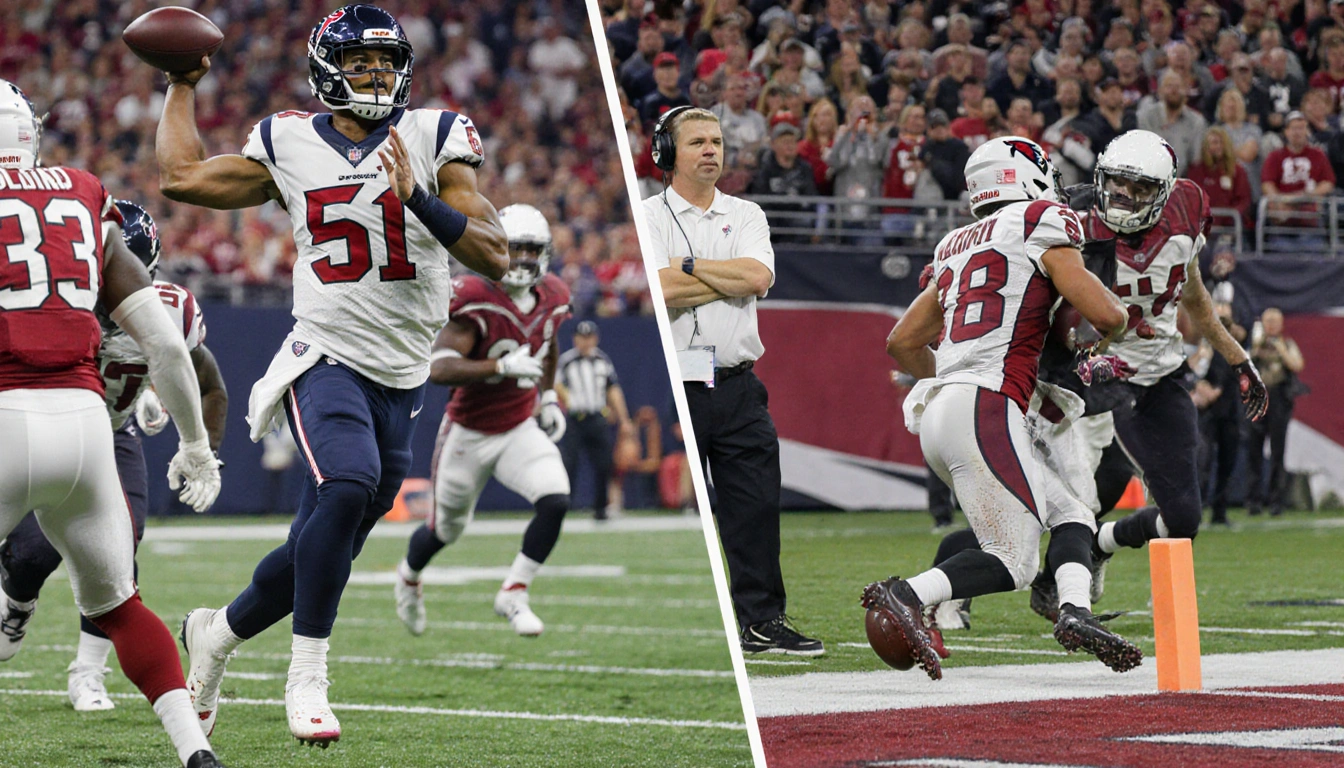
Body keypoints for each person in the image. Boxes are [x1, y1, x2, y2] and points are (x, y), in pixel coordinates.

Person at [154, 5, 510, 746]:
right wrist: (182, 84)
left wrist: (418, 197)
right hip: (325, 355)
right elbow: (182, 177)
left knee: (322, 546)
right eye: (359, 63)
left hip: (403, 373)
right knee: (346, 486)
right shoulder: (288, 140)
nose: (376, 75)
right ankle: (307, 678)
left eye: (386, 62)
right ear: (327, 71)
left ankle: (215, 634)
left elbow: (494, 255)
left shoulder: (434, 136)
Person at [0, 80, 225, 768]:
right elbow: (165, 345)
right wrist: (195, 445)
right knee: (120, 604)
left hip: (5, 417)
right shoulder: (81, 191)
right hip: (86, 425)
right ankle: (195, 751)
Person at [872, 136, 1141, 680]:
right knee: (1013, 560)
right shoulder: (1039, 219)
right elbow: (1107, 314)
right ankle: (907, 593)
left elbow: (901, 342)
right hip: (986, 405)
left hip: (946, 407)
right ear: (1027, 175)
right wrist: (1105, 335)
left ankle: (1074, 610)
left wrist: (954, 376)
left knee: (1072, 512)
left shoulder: (954, 243)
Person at [643, 105, 822, 656]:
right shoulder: (648, 214)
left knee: (756, 507)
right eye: (697, 142)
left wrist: (689, 266)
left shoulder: (746, 212)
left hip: (740, 384)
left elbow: (758, 277)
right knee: (683, 514)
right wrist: (724, 278)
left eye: (716, 141)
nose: (710, 151)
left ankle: (763, 622)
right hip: (683, 382)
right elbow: (661, 290)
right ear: (667, 153)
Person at [1081, 131, 1267, 574]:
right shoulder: (1074, 222)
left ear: (1163, 191)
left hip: (1162, 376)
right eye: (1117, 183)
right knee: (1057, 507)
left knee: (1183, 520)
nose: (1124, 196)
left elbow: (1197, 299)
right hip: (1097, 379)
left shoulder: (1185, 213)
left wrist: (1239, 359)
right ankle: (973, 580)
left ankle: (1099, 545)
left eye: (1140, 187)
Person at [393, 204, 572, 637]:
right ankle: (409, 577)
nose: (524, 259)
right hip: (468, 433)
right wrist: (500, 367)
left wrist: (547, 397)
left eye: (532, 250)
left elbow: (548, 342)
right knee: (445, 529)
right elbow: (438, 367)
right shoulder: (475, 294)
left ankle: (514, 591)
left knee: (555, 498)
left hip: (517, 427)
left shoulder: (554, 295)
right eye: (515, 248)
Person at [556, 320, 631, 520]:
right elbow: (556, 385)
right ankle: (563, 507)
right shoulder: (567, 360)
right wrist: (567, 401)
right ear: (575, 339)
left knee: (604, 463)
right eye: (581, 337)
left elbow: (613, 389)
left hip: (597, 417)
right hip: (575, 418)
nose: (585, 341)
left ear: (596, 338)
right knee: (569, 463)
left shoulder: (602, 360)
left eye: (589, 337)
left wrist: (624, 418)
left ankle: (600, 508)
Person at [1245, 308, 1306, 517]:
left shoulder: (1287, 344)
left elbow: (1297, 365)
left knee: (1277, 451)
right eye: (1267, 321)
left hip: (1279, 400)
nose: (1271, 325)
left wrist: (1280, 349)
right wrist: (1256, 349)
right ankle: (1253, 500)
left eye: (1274, 321)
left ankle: (1276, 500)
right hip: (1258, 400)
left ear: (1281, 324)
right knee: (1254, 450)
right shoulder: (1254, 345)